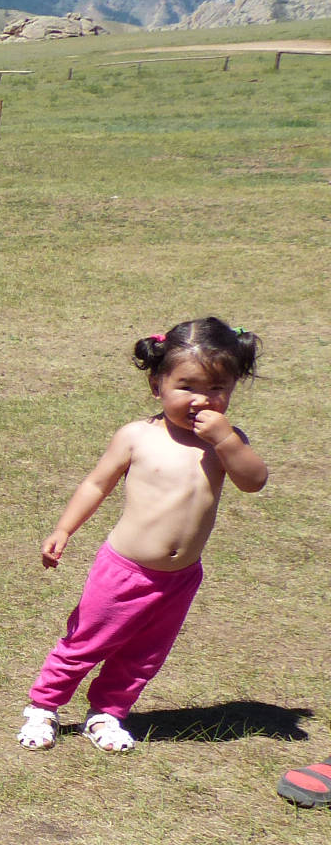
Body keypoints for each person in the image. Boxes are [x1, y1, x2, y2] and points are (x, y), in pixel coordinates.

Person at [17, 319, 269, 754]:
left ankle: (108, 713)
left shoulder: (226, 443)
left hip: (180, 577)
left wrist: (227, 440)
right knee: (86, 641)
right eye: (187, 386)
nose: (201, 400)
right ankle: (44, 706)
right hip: (124, 571)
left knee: (145, 654)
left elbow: (254, 481)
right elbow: (96, 484)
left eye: (217, 388)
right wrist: (64, 528)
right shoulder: (138, 436)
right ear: (157, 385)